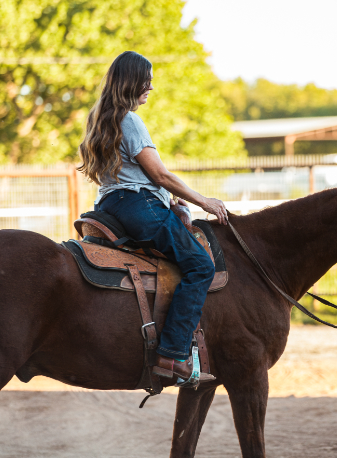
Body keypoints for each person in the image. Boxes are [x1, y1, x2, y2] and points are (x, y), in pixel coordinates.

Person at [78, 51, 227, 384]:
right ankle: (172, 356)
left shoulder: (99, 117)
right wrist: (203, 201)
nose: (151, 86)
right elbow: (160, 174)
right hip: (138, 206)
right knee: (201, 266)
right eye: (146, 79)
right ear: (132, 81)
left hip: (111, 204)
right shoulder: (129, 120)